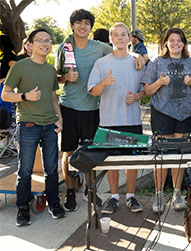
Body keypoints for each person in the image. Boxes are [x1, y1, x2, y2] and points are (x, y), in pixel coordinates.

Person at [2, 28, 65, 226]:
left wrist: (60, 119)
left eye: (48, 40)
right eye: (40, 40)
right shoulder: (20, 67)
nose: (45, 44)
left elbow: (54, 98)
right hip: (28, 124)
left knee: (52, 169)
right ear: (30, 45)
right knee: (25, 170)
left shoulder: (49, 70)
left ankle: (54, 203)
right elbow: (5, 94)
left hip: (49, 126)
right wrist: (24, 96)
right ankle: (22, 209)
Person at [55, 9, 113, 212]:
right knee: (68, 153)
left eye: (86, 23)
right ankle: (70, 192)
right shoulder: (64, 48)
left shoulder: (99, 47)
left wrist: (139, 58)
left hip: (92, 108)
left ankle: (91, 189)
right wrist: (65, 78)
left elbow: (120, 53)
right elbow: (57, 78)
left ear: (90, 27)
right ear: (72, 25)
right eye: (78, 22)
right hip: (69, 106)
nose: (82, 26)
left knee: (91, 152)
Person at [141, 27, 191, 213]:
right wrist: (159, 83)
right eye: (172, 40)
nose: (176, 43)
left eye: (179, 40)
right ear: (166, 42)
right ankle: (159, 194)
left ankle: (177, 193)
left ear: (184, 43)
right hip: (162, 112)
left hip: (185, 113)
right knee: (161, 153)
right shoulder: (157, 62)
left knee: (179, 154)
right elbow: (147, 91)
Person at [88, 22, 145, 214]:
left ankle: (130, 196)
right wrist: (104, 83)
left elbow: (145, 89)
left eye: (124, 35)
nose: (120, 38)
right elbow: (93, 92)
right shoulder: (101, 63)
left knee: (132, 161)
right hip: (108, 121)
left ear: (130, 38)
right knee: (112, 162)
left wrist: (137, 96)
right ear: (110, 39)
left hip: (133, 120)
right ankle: (113, 197)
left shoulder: (137, 62)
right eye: (116, 35)